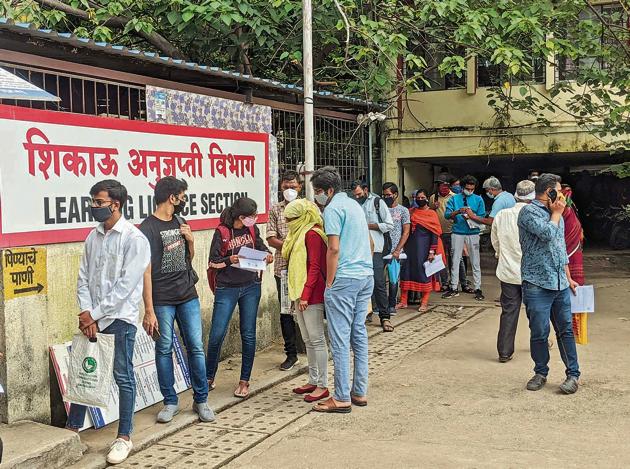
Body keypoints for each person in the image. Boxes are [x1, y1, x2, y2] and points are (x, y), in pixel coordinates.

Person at [67, 180, 151, 465]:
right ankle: (72, 429)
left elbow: (125, 286)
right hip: (93, 317)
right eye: (92, 201)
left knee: (122, 376)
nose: (93, 207)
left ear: (116, 204)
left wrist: (96, 314)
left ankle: (124, 436)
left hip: (119, 319)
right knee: (85, 371)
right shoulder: (94, 236)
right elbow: (83, 277)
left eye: (98, 202)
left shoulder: (134, 239)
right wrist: (86, 312)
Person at [139, 177, 214, 424]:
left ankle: (201, 399)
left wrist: (191, 241)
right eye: (182, 196)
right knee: (163, 349)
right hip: (162, 300)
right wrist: (148, 309)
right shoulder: (147, 228)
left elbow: (187, 259)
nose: (183, 200)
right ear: (172, 197)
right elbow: (146, 271)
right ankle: (170, 401)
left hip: (187, 295)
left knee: (196, 347)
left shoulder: (181, 222)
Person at [311, 167, 373, 413]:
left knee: (339, 338)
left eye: (318, 192)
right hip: (365, 276)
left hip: (344, 279)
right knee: (358, 334)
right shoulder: (355, 205)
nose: (317, 197)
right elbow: (368, 241)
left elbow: (333, 248)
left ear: (329, 190)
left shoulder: (333, 209)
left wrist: (330, 282)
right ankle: (359, 392)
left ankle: (341, 397)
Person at [518, 173, 581, 394]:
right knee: (539, 331)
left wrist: (569, 276)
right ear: (549, 192)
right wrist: (556, 213)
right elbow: (546, 233)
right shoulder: (528, 212)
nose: (562, 196)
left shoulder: (558, 215)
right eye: (558, 191)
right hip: (536, 283)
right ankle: (540, 372)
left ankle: (573, 374)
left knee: (565, 331)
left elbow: (560, 248)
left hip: (560, 283)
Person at [206, 197, 273, 399]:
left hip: (251, 286)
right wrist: (230, 260)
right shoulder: (222, 232)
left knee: (249, 334)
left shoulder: (252, 230)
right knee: (217, 334)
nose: (254, 219)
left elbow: (260, 247)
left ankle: (244, 381)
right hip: (227, 288)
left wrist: (267, 254)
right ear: (241, 217)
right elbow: (213, 261)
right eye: (251, 216)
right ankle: (208, 377)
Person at [282, 199, 329, 403]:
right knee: (308, 339)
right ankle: (312, 379)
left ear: (301, 217)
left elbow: (315, 266)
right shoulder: (296, 234)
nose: (288, 222)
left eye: (291, 219)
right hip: (299, 293)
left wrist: (306, 294)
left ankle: (323, 385)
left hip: (312, 293)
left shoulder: (312, 234)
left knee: (317, 339)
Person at [490, 180, 535, 363]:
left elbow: (495, 241)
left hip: (508, 271)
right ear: (532, 198)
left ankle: (504, 352)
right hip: (532, 272)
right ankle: (539, 342)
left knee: (509, 311)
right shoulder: (536, 215)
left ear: (516, 195)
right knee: (536, 310)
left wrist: (501, 255)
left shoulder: (502, 215)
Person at [266, 171, 302, 371]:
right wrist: (291, 248)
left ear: (300, 187)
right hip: (284, 269)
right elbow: (271, 238)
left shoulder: (308, 208)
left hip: (306, 269)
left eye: (293, 186)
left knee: (308, 309)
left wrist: (302, 250)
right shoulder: (275, 210)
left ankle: (312, 347)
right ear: (281, 188)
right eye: (286, 187)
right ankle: (291, 354)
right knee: (286, 312)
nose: (289, 190)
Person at [350, 180, 394, 332]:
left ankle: (385, 316)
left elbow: (389, 225)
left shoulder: (377, 202)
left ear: (366, 190)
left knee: (378, 282)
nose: (357, 197)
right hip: (357, 249)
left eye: (359, 194)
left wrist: (368, 226)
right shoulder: (353, 204)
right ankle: (363, 315)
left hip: (375, 249)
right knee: (358, 283)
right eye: (355, 195)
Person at [399, 189, 446, 312]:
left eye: (422, 198)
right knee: (406, 272)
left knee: (424, 274)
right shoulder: (410, 212)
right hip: (409, 248)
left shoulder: (432, 214)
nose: (420, 200)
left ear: (427, 198)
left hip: (424, 250)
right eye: (417, 198)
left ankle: (424, 303)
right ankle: (403, 302)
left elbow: (435, 234)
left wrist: (432, 252)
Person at [443, 175, 486, 300]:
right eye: (468, 188)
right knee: (455, 259)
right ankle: (453, 287)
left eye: (472, 189)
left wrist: (472, 215)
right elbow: (447, 215)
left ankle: (478, 288)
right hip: (458, 232)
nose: (470, 191)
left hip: (473, 232)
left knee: (475, 260)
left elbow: (482, 216)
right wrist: (457, 212)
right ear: (462, 187)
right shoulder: (454, 199)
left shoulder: (478, 199)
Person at [429, 176, 467, 292]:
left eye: (446, 185)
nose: (444, 188)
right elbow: (429, 212)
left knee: (457, 258)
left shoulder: (456, 197)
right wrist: (432, 207)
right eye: (442, 186)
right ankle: (445, 283)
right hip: (438, 233)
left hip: (453, 232)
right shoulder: (433, 198)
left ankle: (463, 283)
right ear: (438, 187)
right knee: (440, 259)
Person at [382, 182, 410, 314]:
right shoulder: (380, 209)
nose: (386, 197)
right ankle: (380, 305)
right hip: (381, 250)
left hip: (395, 252)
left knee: (393, 280)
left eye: (388, 195)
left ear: (395, 194)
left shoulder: (403, 211)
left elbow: (406, 231)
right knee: (379, 280)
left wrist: (398, 249)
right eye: (384, 195)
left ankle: (392, 304)